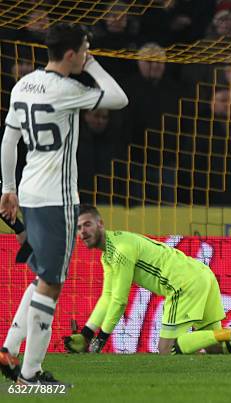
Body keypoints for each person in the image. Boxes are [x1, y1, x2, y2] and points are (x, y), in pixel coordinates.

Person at [0, 23, 129, 385]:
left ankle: (8, 350)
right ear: (72, 53)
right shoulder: (68, 89)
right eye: (84, 49)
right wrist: (92, 67)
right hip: (57, 198)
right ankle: (31, 373)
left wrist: (7, 187)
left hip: (28, 191)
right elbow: (119, 98)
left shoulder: (23, 84)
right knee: (52, 284)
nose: (86, 53)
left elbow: (9, 141)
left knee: (43, 275)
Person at [64, 205, 231, 356]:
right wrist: (86, 334)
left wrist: (99, 341)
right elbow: (107, 297)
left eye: (87, 225)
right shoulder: (111, 253)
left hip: (182, 284)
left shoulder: (120, 250)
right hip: (201, 275)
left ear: (101, 224)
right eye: (79, 228)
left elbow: (118, 301)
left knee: (167, 350)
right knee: (215, 346)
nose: (83, 232)